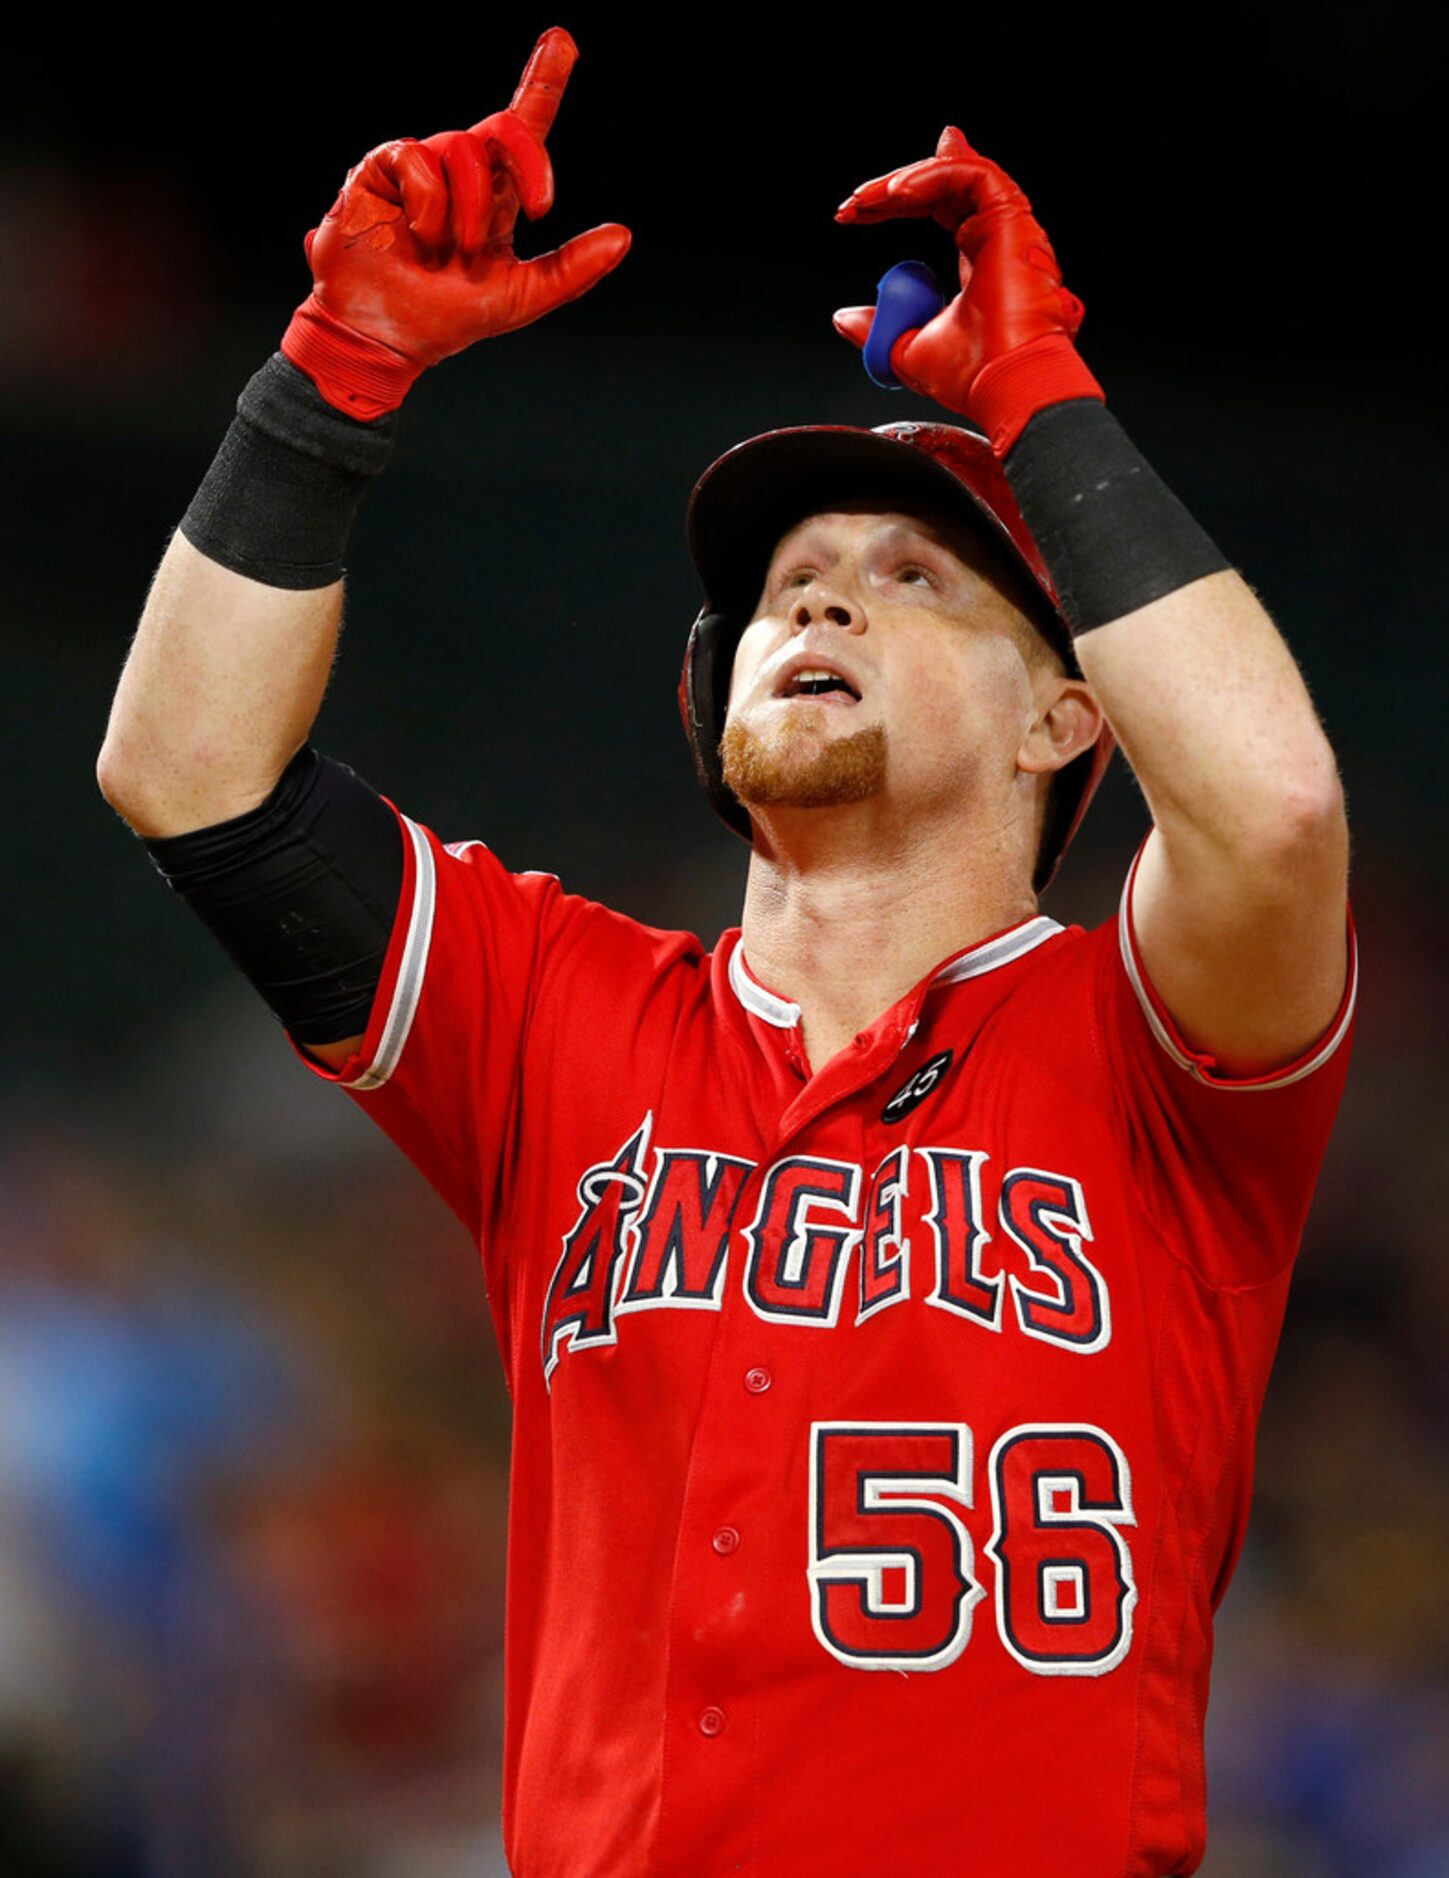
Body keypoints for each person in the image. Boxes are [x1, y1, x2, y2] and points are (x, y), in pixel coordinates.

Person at [97, 25, 1356, 1877]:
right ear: (712, 698)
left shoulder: (1154, 1036)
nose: (823, 591)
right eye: (785, 585)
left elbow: (1273, 812)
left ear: (1063, 725)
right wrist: (332, 372)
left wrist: (1034, 388)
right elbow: (185, 772)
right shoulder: (556, 1011)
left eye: (913, 575)